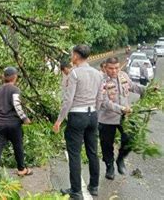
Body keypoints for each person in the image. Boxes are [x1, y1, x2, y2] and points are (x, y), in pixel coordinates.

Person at [53, 45, 102, 199]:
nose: (71, 57)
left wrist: (59, 120)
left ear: (76, 55)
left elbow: (68, 100)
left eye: (72, 54)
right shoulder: (98, 73)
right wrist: (95, 113)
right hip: (92, 114)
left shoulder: (74, 73)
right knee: (92, 151)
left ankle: (76, 191)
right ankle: (94, 186)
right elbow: (99, 98)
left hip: (77, 116)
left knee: (74, 154)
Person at [98, 57, 145, 180]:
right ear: (105, 68)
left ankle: (120, 159)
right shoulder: (101, 81)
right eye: (111, 68)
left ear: (120, 67)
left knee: (130, 139)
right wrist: (121, 108)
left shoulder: (123, 76)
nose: (114, 71)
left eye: (116, 68)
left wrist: (148, 90)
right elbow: (105, 103)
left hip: (125, 116)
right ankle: (109, 167)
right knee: (106, 145)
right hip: (107, 118)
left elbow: (133, 87)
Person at [0, 67, 32, 182]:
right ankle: (21, 169)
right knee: (18, 146)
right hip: (13, 124)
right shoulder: (15, 90)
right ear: (15, 77)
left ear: (4, 77)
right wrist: (24, 118)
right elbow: (17, 105)